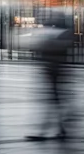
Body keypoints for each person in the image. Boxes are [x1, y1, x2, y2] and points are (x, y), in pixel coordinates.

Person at [26, 9, 73, 141]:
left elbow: (41, 49)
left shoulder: (56, 34)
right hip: (56, 71)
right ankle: (61, 128)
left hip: (54, 71)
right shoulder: (62, 33)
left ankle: (46, 130)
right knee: (56, 101)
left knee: (54, 100)